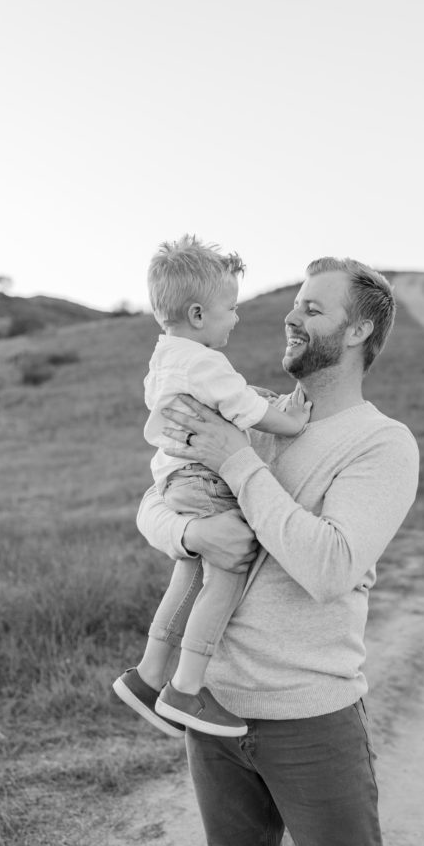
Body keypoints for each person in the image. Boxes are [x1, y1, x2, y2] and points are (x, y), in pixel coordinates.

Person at [135, 255, 420, 846]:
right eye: (295, 303)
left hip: (310, 719)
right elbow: (157, 497)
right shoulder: (256, 410)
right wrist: (192, 533)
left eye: (313, 309)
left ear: (357, 331)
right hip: (212, 708)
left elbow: (327, 565)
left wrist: (238, 463)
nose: (291, 317)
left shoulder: (380, 443)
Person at [113, 235, 311, 739]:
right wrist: (293, 423)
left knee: (188, 573)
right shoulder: (204, 362)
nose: (236, 317)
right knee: (226, 573)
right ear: (199, 315)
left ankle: (148, 675)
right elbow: (245, 409)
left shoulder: (165, 357)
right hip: (205, 481)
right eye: (231, 307)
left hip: (177, 479)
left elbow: (227, 403)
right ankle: (186, 688)